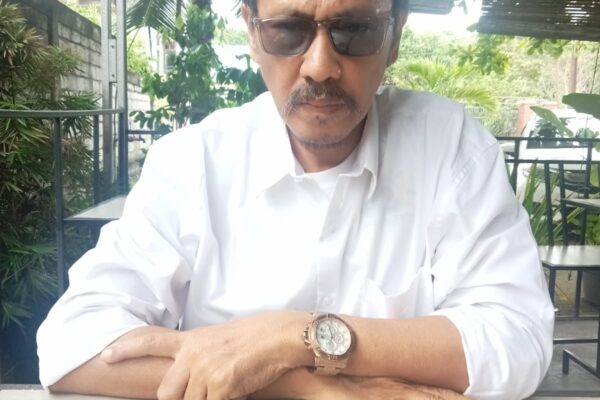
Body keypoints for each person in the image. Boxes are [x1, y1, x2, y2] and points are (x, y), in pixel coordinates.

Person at [37, 0, 554, 399]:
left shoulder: (449, 147)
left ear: (394, 36)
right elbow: (71, 343)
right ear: (252, 32)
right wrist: (307, 384)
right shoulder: (193, 161)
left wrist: (290, 337)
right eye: (288, 30)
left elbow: (518, 337)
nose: (320, 67)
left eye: (355, 30)